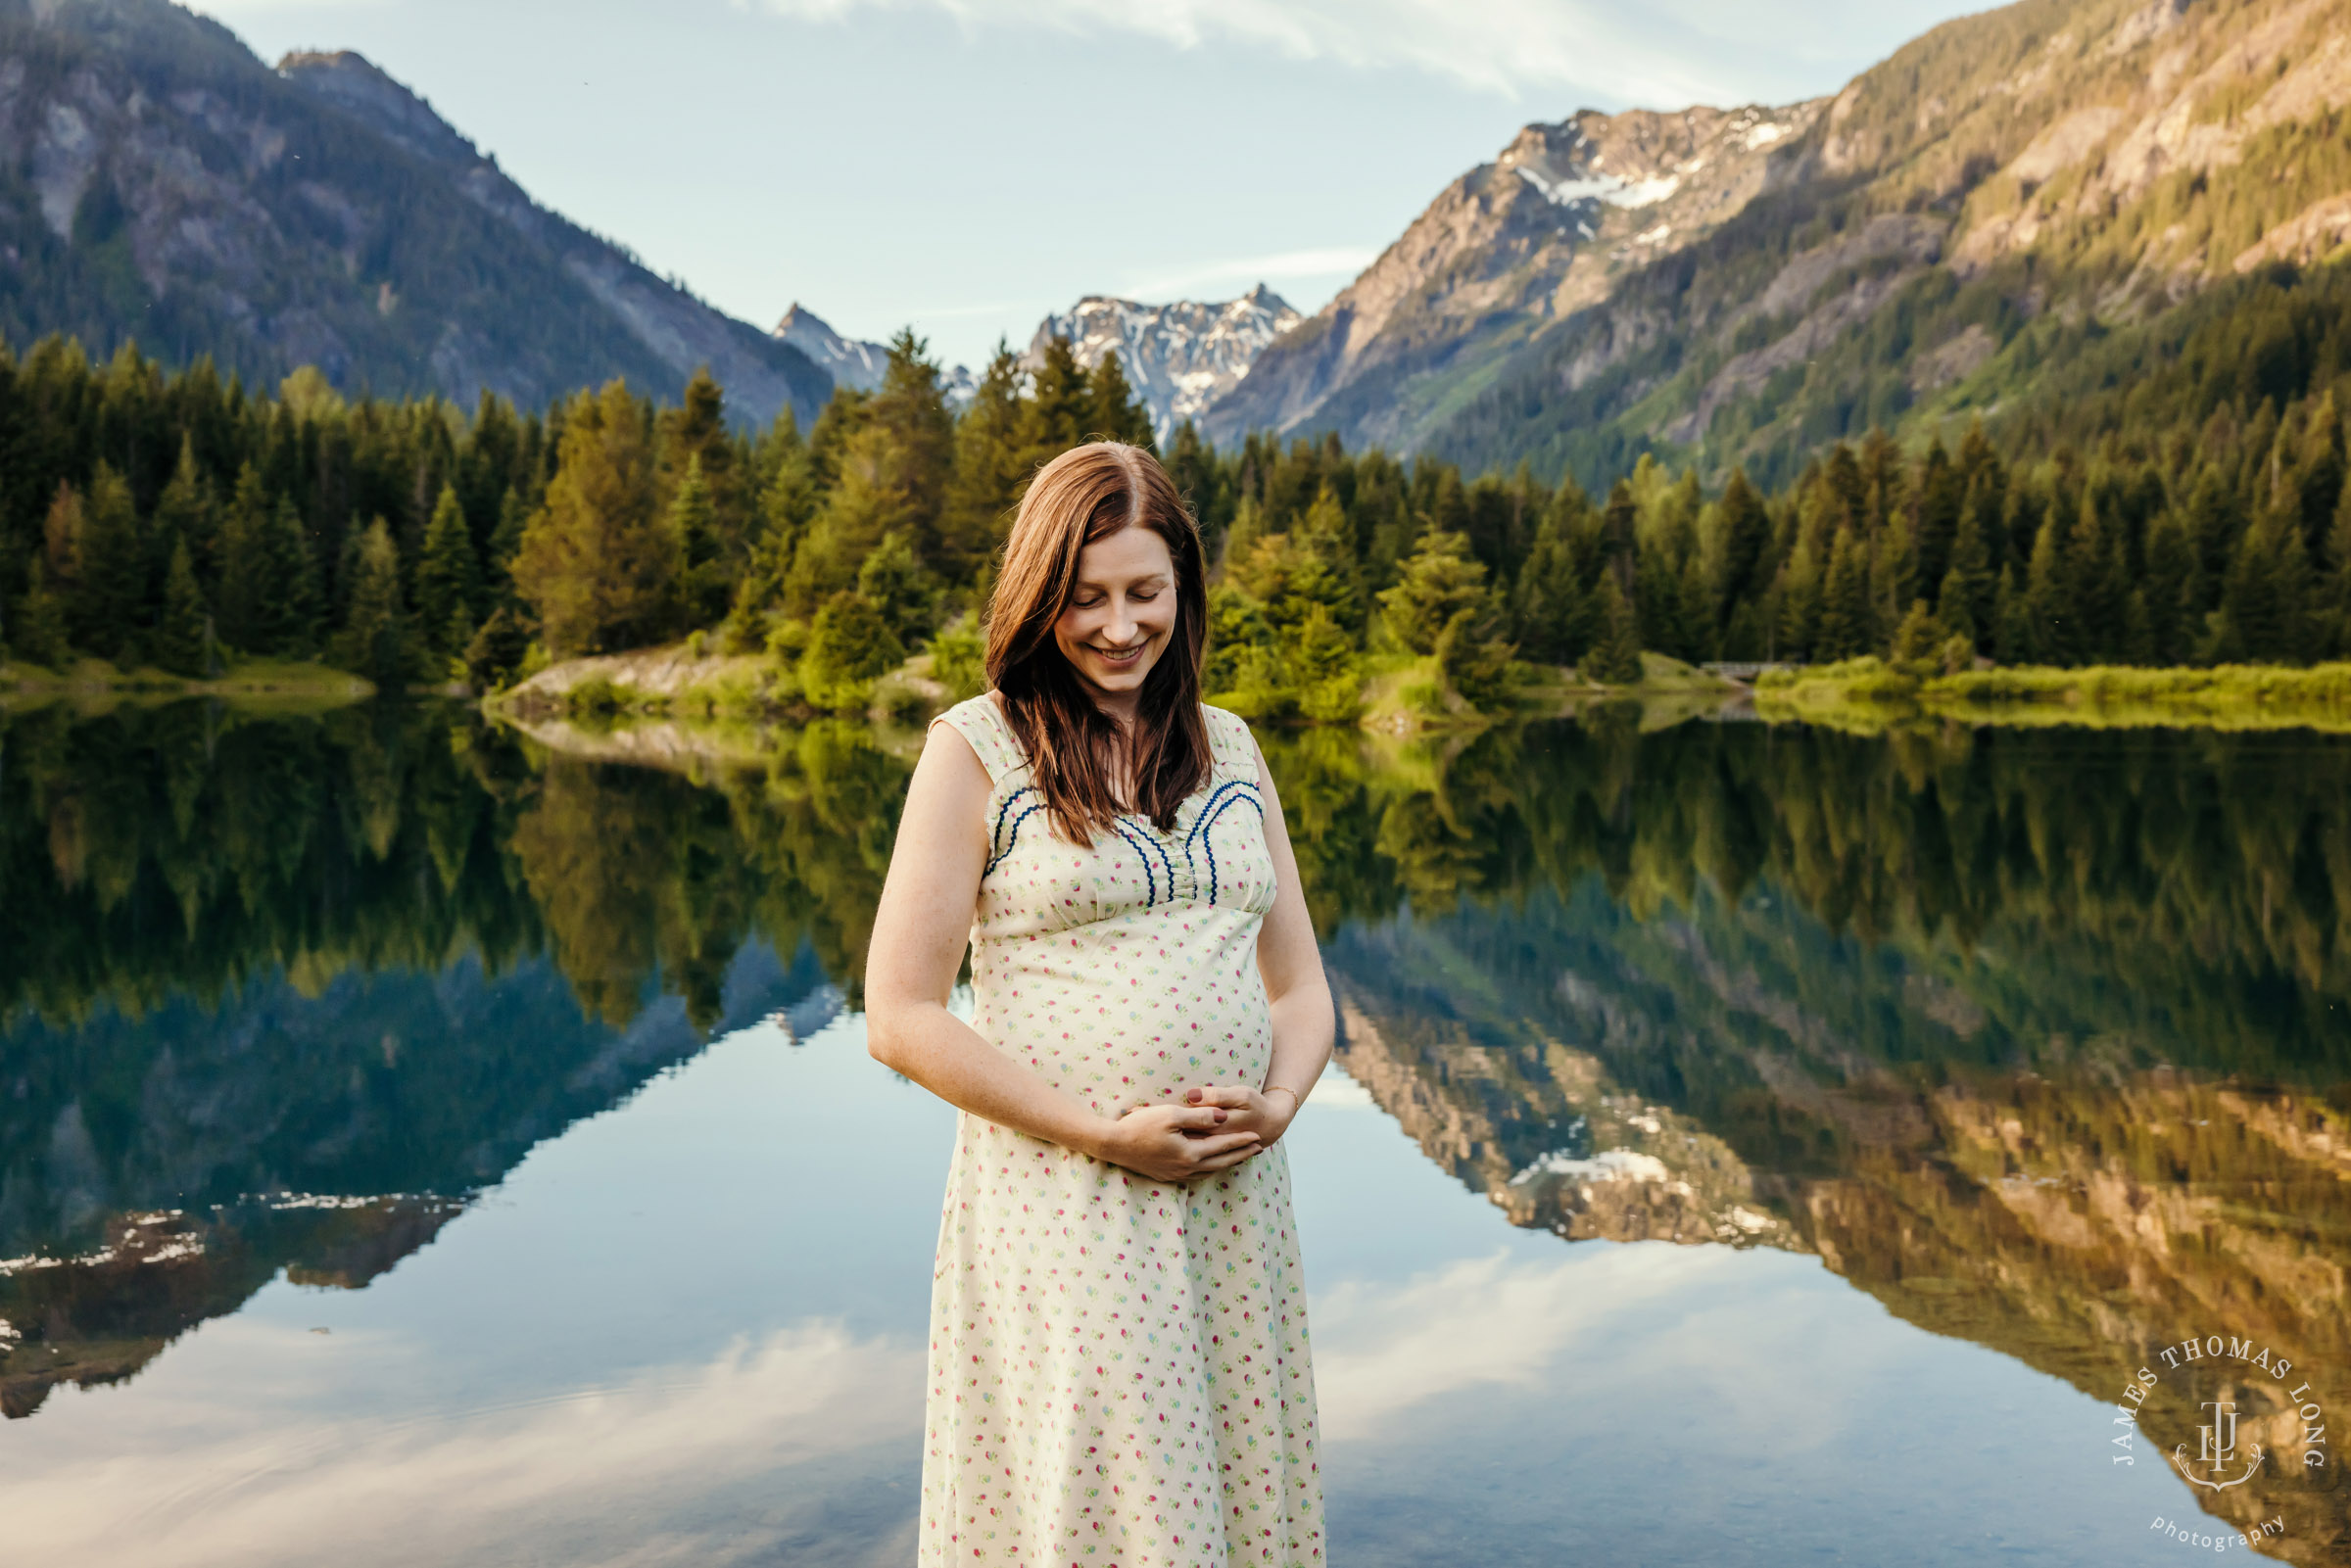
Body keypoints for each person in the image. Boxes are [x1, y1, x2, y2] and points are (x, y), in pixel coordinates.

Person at [866, 440, 1331, 1566]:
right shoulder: (977, 749)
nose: (1119, 626)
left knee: (1232, 1488)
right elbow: (900, 1014)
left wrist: (1278, 1102)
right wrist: (1103, 1132)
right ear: (1039, 598)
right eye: (1086, 599)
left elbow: (1305, 985)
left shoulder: (1233, 748)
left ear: (1183, 587)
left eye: (1143, 592)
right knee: (1104, 1504)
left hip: (1232, 1200)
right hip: (1071, 1201)